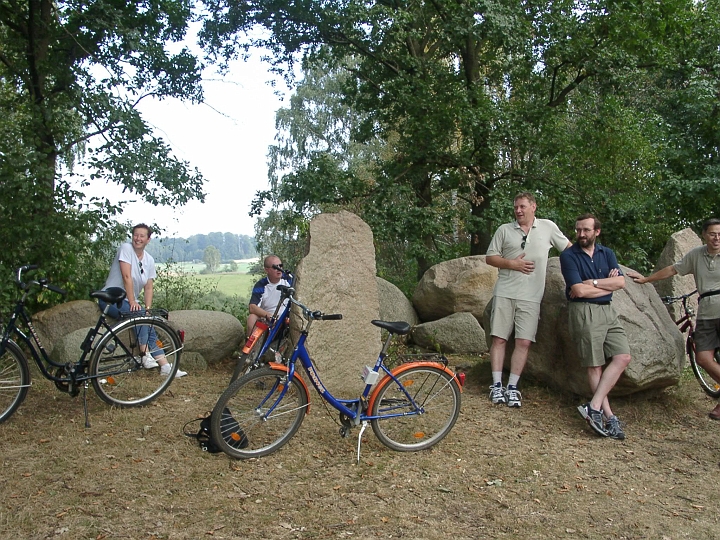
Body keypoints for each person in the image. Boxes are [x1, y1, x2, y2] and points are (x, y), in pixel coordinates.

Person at [485, 192, 572, 408]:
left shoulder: (548, 227)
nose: (518, 211)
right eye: (516, 207)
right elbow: (490, 257)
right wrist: (512, 264)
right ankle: (496, 385)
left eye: (522, 206)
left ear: (534, 207)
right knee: (499, 338)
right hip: (505, 292)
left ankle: (512, 386)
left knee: (524, 341)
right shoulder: (504, 230)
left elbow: (569, 249)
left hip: (532, 296)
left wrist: (595, 261)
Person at [629, 218, 720, 420]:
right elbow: (673, 269)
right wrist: (646, 279)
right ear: (705, 235)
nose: (716, 238)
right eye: (713, 233)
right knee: (703, 358)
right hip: (706, 313)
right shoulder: (696, 255)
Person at [560, 214, 631, 439]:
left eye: (586, 230)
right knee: (594, 365)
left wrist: (595, 283)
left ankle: (594, 406)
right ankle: (609, 416)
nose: (581, 234)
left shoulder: (607, 253)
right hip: (584, 311)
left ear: (596, 232)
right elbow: (579, 291)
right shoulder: (568, 256)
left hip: (608, 311)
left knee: (622, 357)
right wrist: (606, 286)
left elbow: (621, 282)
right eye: (578, 230)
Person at [99, 224, 187, 378]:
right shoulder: (126, 249)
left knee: (148, 321)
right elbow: (127, 277)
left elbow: (148, 288)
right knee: (140, 315)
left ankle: (165, 366)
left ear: (148, 239)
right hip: (112, 299)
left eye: (142, 236)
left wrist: (147, 307)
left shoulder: (149, 260)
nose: (138, 239)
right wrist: (133, 301)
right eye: (136, 235)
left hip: (130, 301)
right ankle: (144, 354)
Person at [246, 255, 290, 337]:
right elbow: (252, 307)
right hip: (268, 319)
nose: (279, 269)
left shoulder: (289, 280)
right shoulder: (261, 285)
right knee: (251, 318)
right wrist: (269, 315)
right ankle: (252, 348)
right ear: (267, 270)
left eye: (280, 266)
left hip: (287, 319)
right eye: (275, 267)